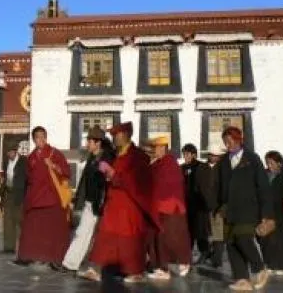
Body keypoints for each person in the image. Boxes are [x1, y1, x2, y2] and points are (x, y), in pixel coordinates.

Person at [80, 122, 157, 284]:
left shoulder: (138, 157)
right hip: (113, 202)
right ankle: (96, 269)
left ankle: (135, 272)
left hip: (129, 205)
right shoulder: (117, 154)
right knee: (104, 235)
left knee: (129, 240)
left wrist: (113, 174)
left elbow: (136, 181)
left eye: (116, 135)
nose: (114, 138)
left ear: (126, 135)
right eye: (113, 135)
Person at [218, 126, 273, 291]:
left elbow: (263, 187)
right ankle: (242, 279)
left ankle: (260, 269)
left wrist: (266, 213)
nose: (227, 144)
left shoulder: (252, 159)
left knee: (243, 238)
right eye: (225, 141)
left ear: (238, 140)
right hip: (229, 210)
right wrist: (218, 206)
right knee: (231, 243)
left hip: (248, 209)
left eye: (230, 141)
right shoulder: (224, 161)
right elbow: (220, 186)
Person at [15, 126, 71, 270]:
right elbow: (29, 178)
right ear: (33, 139)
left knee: (54, 230)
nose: (41, 139)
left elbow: (66, 172)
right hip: (35, 197)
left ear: (46, 137)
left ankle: (56, 259)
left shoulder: (54, 153)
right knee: (32, 229)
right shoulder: (31, 157)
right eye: (37, 137)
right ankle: (28, 256)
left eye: (43, 136)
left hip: (52, 197)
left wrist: (53, 165)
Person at [62, 126, 114, 273]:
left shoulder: (108, 158)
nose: (87, 144)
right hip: (90, 202)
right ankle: (70, 263)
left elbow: (108, 182)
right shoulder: (91, 157)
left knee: (102, 237)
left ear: (98, 142)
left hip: (103, 204)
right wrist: (78, 199)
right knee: (82, 232)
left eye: (90, 141)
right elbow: (84, 181)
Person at [147, 136, 192, 281]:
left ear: (163, 148)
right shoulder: (157, 163)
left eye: (155, 148)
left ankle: (183, 262)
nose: (153, 151)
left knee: (173, 238)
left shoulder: (170, 163)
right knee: (156, 238)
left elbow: (168, 185)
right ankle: (160, 267)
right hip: (158, 207)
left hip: (171, 207)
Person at [260, 150, 283, 276]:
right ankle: (270, 264)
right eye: (267, 163)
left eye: (271, 163)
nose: (269, 165)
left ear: (279, 163)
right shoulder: (265, 175)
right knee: (267, 240)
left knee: (281, 241)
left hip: (282, 214)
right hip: (267, 212)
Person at [181, 143, 211, 263]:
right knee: (188, 232)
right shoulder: (182, 168)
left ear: (194, 154)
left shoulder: (202, 167)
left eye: (187, 154)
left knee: (200, 231)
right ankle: (187, 255)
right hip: (187, 204)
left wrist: (206, 202)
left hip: (200, 204)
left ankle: (205, 252)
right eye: (184, 154)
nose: (185, 156)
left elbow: (206, 186)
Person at [1, 142, 27, 256]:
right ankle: (8, 247)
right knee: (8, 221)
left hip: (19, 194)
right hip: (8, 193)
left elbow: (27, 178)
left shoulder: (23, 161)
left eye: (11, 151)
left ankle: (23, 248)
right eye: (8, 152)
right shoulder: (6, 162)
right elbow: (5, 177)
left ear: (15, 151)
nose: (9, 154)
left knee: (20, 220)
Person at [205, 145, 226, 268]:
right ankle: (209, 254)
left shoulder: (223, 169)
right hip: (204, 205)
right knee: (207, 233)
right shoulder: (203, 167)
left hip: (217, 206)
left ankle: (217, 259)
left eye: (216, 155)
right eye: (212, 155)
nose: (214, 157)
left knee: (218, 234)